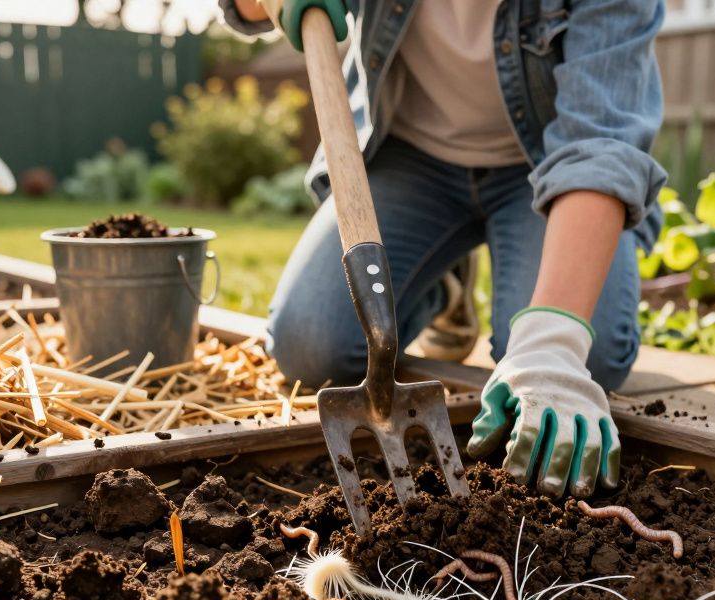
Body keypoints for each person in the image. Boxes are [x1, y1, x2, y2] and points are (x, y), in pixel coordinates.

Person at [221, 0, 666, 497]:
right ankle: (443, 285)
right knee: (310, 344)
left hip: (546, 167)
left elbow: (602, 144)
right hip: (411, 157)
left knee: (588, 358)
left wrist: (553, 345)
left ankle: (472, 282)